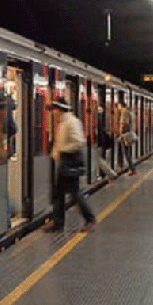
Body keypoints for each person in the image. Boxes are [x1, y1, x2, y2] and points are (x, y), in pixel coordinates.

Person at [45, 97, 96, 232]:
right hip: (64, 162)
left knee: (75, 193)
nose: (53, 113)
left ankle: (90, 219)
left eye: (54, 110)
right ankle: (58, 223)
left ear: (60, 110)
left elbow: (79, 142)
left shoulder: (71, 122)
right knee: (59, 193)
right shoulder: (63, 122)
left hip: (70, 162)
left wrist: (62, 150)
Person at [114, 101, 137, 176]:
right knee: (127, 152)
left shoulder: (124, 112)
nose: (117, 107)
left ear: (121, 105)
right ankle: (129, 168)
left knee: (126, 152)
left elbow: (124, 123)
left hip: (125, 135)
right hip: (129, 134)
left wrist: (121, 133)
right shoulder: (130, 112)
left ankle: (132, 169)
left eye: (118, 106)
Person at [96, 106, 116, 180]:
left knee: (99, 159)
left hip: (100, 141)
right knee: (101, 159)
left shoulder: (99, 118)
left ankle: (108, 173)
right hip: (104, 140)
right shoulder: (106, 117)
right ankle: (102, 174)